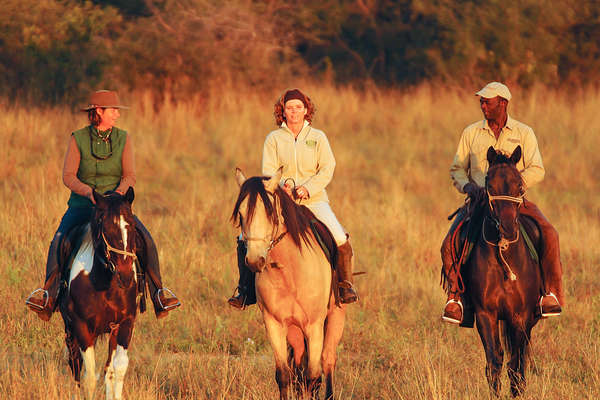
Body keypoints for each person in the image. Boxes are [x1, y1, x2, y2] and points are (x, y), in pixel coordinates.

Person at [25, 90, 180, 321]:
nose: (117, 114)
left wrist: (116, 196)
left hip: (116, 207)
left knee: (146, 240)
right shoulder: (77, 138)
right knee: (58, 240)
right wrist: (90, 193)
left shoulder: (123, 138)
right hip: (83, 205)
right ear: (99, 111)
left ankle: (159, 294)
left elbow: (130, 176)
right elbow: (68, 176)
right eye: (113, 110)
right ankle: (48, 295)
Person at [440, 82, 564, 324]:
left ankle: (550, 294)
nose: (483, 106)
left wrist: (516, 188)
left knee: (549, 233)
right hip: (479, 202)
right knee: (450, 242)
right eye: (481, 102)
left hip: (515, 201)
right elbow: (457, 169)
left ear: (503, 104)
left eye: (488, 102)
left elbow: (537, 168)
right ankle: (456, 299)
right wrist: (469, 187)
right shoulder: (471, 133)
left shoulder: (524, 132)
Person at [228, 88, 359, 309]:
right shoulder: (274, 139)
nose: (294, 111)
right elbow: (269, 171)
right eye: (290, 108)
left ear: (306, 110)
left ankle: (345, 285)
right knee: (244, 238)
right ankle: (245, 290)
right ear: (283, 111)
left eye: (299, 107)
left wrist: (307, 188)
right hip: (281, 201)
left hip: (314, 200)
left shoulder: (318, 138)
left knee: (340, 238)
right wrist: (283, 187)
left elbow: (327, 168)